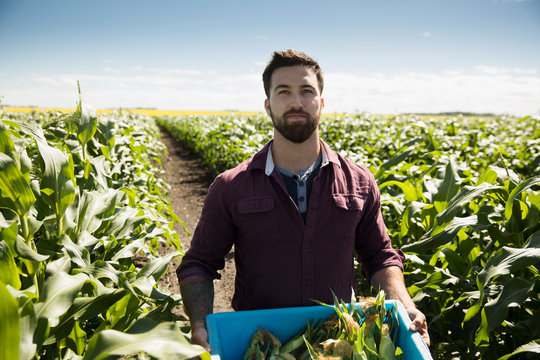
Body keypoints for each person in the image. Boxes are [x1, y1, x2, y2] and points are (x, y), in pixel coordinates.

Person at [176, 49, 430, 351]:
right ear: (268, 106)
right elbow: (199, 265)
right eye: (284, 92)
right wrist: (200, 324)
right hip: (259, 345)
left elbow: (380, 257)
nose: (296, 102)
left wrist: (404, 306)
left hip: (338, 343)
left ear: (321, 104)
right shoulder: (232, 186)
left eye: (306, 91)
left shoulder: (360, 182)